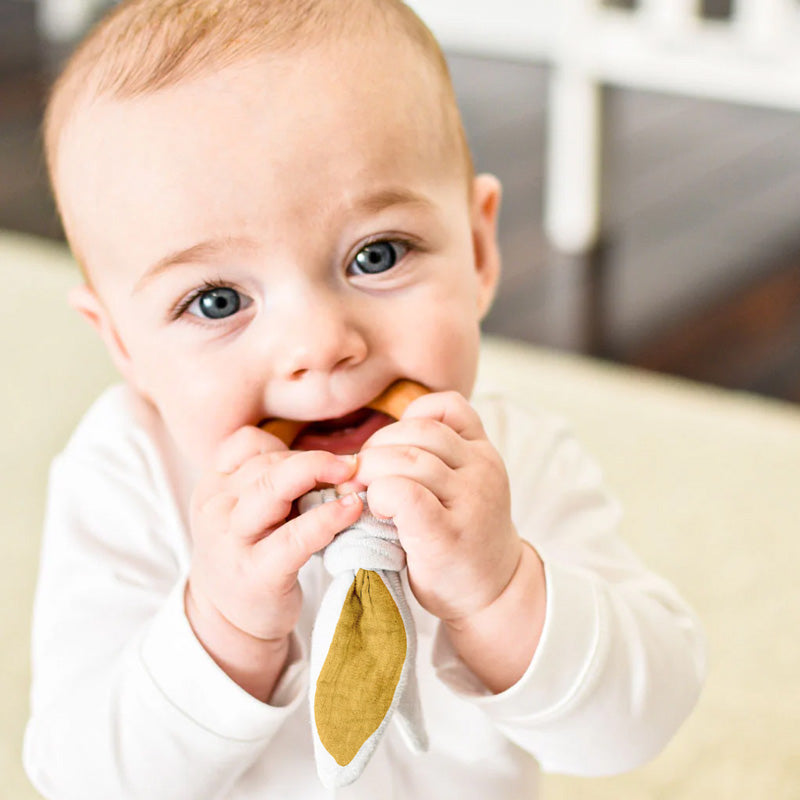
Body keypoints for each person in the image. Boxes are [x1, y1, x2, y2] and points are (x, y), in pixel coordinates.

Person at [24, 0, 705, 797]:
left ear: (480, 250)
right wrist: (222, 629)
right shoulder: (124, 476)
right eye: (215, 301)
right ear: (123, 344)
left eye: (376, 255)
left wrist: (500, 592)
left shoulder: (509, 461)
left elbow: (640, 723)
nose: (320, 345)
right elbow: (80, 775)